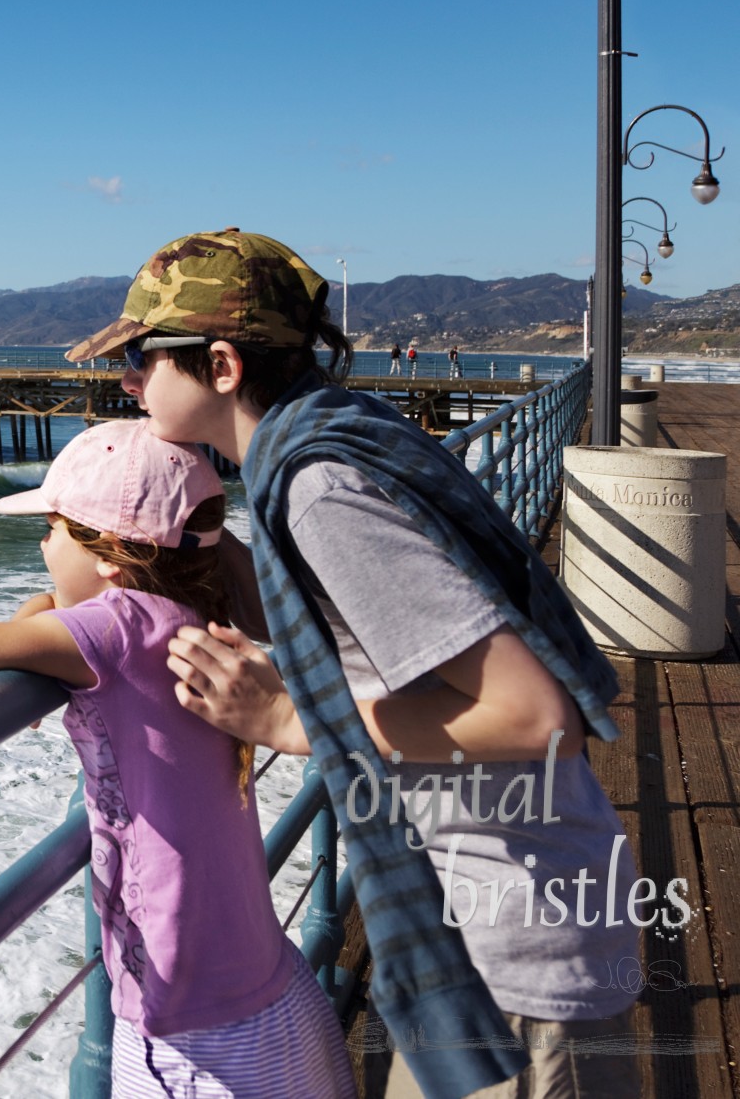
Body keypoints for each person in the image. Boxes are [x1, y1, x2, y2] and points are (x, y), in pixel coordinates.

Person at [64, 229, 640, 1099]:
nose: (128, 379)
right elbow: (343, 609)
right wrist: (177, 551)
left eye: (144, 357)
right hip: (508, 913)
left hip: (513, 955)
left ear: (221, 366)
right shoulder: (333, 438)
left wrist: (288, 719)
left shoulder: (320, 487)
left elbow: (532, 715)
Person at [0, 420, 355, 1099]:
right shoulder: (194, 611)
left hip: (191, 1042)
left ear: (110, 560)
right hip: (278, 999)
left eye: (55, 526)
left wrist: (30, 625)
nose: (42, 542)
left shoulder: (114, 628)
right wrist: (44, 613)